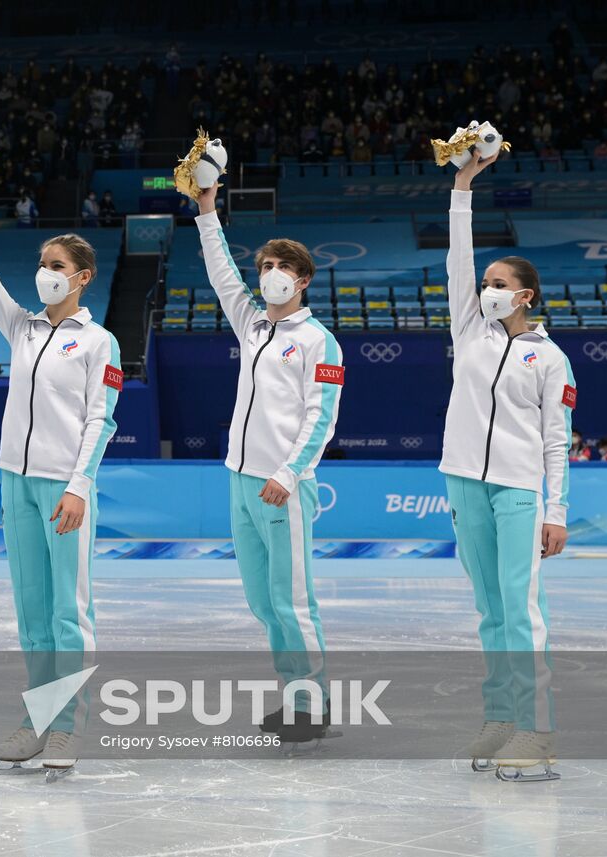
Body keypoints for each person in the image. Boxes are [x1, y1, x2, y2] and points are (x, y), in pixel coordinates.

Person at [0, 187, 120, 777]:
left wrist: (79, 486)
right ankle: (40, 718)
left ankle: (70, 725)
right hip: (14, 484)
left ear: (83, 277)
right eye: (43, 265)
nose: (46, 274)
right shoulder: (21, 328)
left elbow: (102, 418)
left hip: (62, 488)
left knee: (69, 614)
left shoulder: (99, 343)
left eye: (58, 266)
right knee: (31, 613)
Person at [195, 181, 342, 746]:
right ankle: (294, 698)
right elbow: (220, 274)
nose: (269, 274)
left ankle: (313, 704)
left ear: (302, 279)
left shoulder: (318, 341)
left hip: (283, 486)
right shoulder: (253, 325)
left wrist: (288, 473)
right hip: (239, 480)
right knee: (263, 602)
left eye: (281, 267)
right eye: (265, 266)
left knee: (293, 600)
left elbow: (321, 417)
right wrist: (207, 209)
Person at [442, 153, 574, 781]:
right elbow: (456, 259)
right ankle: (501, 719)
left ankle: (537, 731)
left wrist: (556, 512)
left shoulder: (550, 359)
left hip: (519, 490)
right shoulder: (470, 330)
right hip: (463, 481)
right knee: (490, 609)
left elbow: (556, 441)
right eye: (484, 282)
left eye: (499, 284)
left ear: (525, 295)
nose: (485, 289)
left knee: (521, 611)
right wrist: (463, 186)